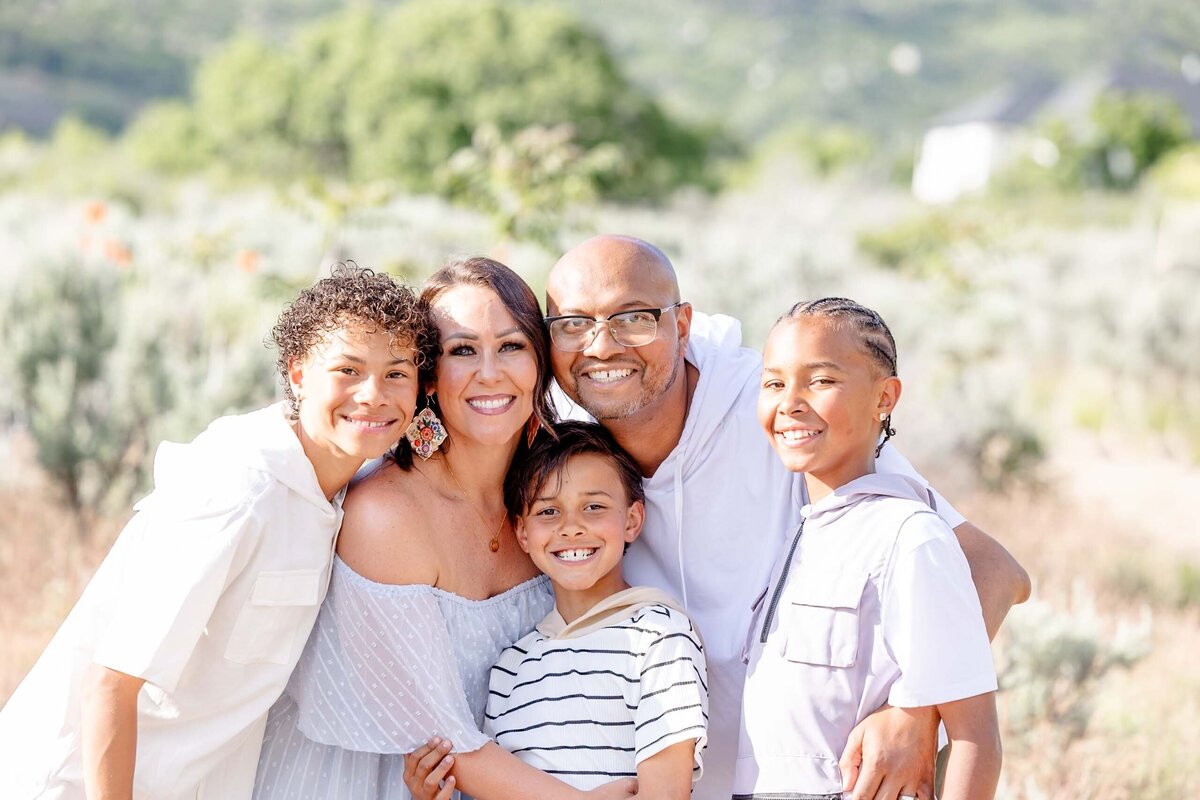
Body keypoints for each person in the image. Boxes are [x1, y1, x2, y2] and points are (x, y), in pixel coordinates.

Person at [541, 235, 1030, 800]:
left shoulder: (779, 410)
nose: (601, 346)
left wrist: (914, 711)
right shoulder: (563, 451)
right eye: (573, 324)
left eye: (633, 318)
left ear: (682, 326)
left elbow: (993, 569)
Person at [0, 264, 429, 800]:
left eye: (397, 373)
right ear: (298, 374)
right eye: (347, 369)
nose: (374, 395)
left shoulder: (347, 489)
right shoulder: (238, 490)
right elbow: (111, 680)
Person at [253, 258, 634, 800]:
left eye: (511, 346)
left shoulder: (552, 503)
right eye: (461, 351)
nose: (489, 373)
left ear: (540, 364)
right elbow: (440, 739)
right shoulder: (387, 515)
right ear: (428, 375)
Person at [734, 297, 1001, 800]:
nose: (790, 402)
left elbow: (975, 737)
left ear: (885, 397)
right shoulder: (791, 534)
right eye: (773, 383)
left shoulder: (911, 535)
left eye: (821, 380)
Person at [487, 421, 706, 795]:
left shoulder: (658, 637)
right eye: (548, 512)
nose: (571, 528)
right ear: (523, 533)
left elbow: (665, 794)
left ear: (632, 521)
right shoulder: (510, 667)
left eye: (594, 506)